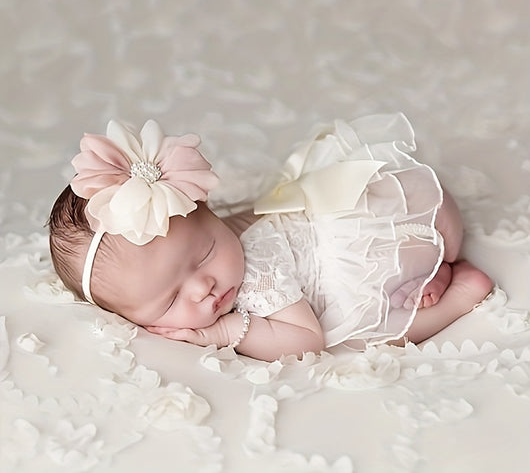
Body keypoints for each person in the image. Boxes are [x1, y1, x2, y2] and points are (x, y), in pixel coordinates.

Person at [48, 114, 493, 362]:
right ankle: (436, 263)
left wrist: (220, 332)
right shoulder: (228, 236)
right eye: (170, 301)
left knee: (359, 337)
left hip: (379, 241)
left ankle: (459, 292)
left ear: (210, 213)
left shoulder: (257, 271)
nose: (204, 287)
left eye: (204, 254)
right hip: (392, 213)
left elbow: (306, 341)